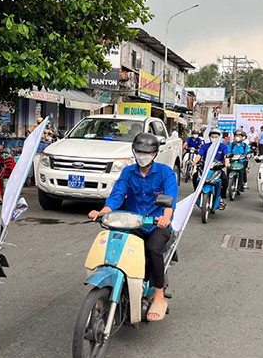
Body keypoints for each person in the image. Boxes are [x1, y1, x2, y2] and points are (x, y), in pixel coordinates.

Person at [87, 133, 178, 322]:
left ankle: (159, 296)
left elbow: (170, 200)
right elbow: (117, 195)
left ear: (155, 153)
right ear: (134, 152)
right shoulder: (128, 172)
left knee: (153, 249)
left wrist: (165, 218)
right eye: (139, 151)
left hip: (155, 224)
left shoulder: (165, 172)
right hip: (132, 223)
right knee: (115, 246)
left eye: (148, 152)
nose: (143, 155)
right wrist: (102, 211)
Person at [193, 128, 230, 209]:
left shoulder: (223, 146)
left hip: (217, 168)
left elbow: (226, 155)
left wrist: (227, 162)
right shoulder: (205, 146)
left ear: (219, 138)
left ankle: (221, 199)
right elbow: (199, 155)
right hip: (205, 168)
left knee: (224, 179)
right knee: (195, 176)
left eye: (216, 137)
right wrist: (195, 161)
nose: (214, 138)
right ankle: (196, 195)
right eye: (212, 136)